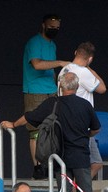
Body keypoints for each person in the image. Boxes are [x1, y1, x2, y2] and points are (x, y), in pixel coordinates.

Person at [2, 72, 101, 192]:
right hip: (81, 155)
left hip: (59, 156)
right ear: (76, 87)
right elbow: (96, 128)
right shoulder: (85, 105)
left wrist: (13, 124)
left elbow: (30, 117)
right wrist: (85, 135)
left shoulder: (53, 103)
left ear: (60, 85)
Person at [22, 14, 69, 179]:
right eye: (51, 26)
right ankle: (38, 167)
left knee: (53, 129)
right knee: (35, 129)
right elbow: (37, 64)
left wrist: (59, 85)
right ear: (43, 25)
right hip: (35, 90)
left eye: (57, 28)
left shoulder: (52, 44)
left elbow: (50, 69)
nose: (54, 30)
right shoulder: (35, 42)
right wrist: (60, 63)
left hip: (52, 90)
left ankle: (50, 165)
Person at [57, 42, 107, 178]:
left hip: (65, 122)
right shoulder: (84, 72)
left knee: (89, 163)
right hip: (80, 123)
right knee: (88, 164)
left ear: (75, 52)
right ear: (90, 59)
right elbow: (102, 88)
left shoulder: (64, 70)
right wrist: (90, 69)